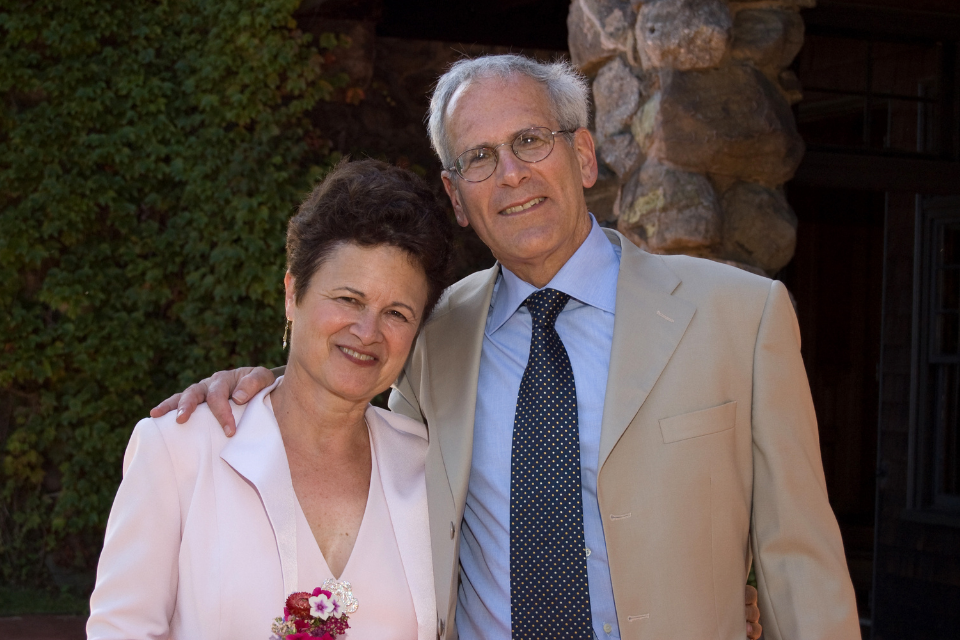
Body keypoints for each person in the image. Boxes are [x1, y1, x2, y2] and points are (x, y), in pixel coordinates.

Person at [155, 55, 861, 639]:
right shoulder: (435, 335)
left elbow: (799, 561)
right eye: (480, 158)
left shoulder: (740, 316)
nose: (512, 174)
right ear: (457, 197)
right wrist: (263, 388)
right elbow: (351, 439)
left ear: (582, 156)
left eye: (531, 140)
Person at [87, 159, 455, 640]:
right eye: (347, 299)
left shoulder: (432, 468)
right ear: (291, 293)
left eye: (397, 313)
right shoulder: (178, 451)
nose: (368, 332)